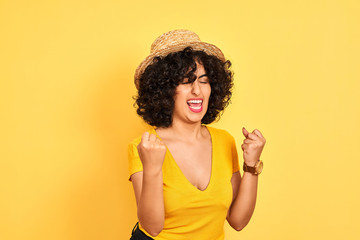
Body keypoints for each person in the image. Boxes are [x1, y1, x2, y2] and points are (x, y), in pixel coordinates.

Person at [128, 29, 266, 240]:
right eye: (186, 81)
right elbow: (152, 227)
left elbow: (238, 221)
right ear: (164, 90)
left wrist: (251, 166)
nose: (197, 91)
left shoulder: (224, 141)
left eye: (203, 81)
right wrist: (154, 167)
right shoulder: (145, 147)